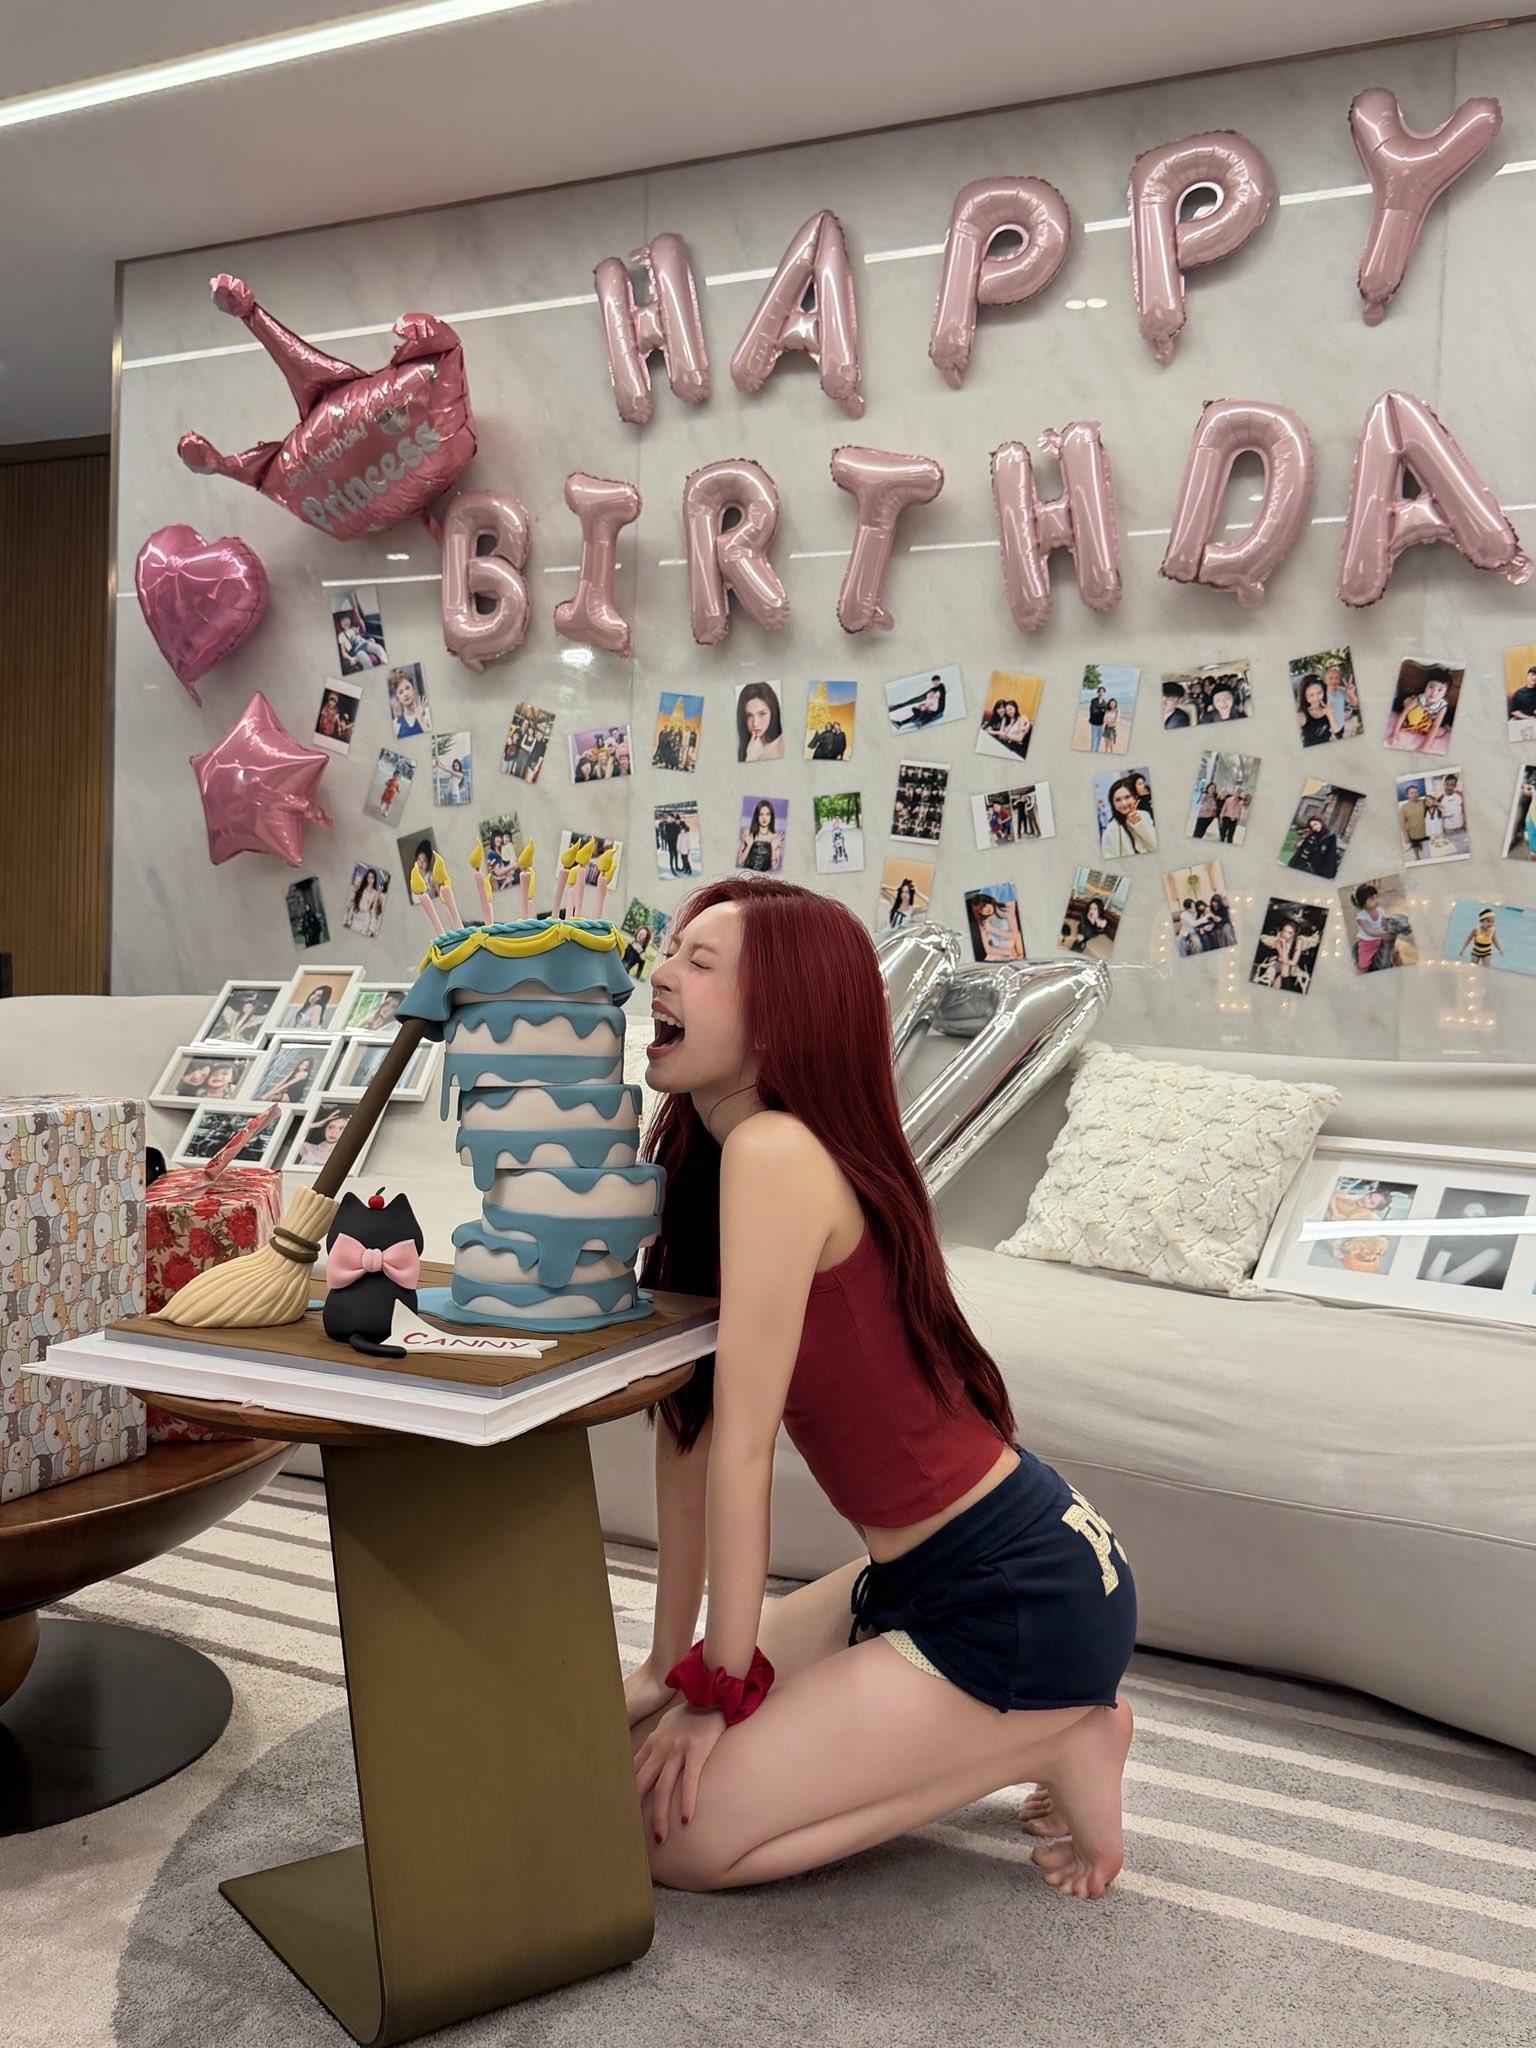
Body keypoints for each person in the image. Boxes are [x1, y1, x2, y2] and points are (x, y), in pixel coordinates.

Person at [626, 878, 1137, 1898]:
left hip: (1016, 1595)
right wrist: (665, 1666)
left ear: (780, 1015)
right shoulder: (715, 1157)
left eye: (699, 962)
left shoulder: (774, 1151)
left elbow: (746, 1450)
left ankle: (1066, 1730)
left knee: (674, 1842)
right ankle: (1021, 1721)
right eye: (670, 950)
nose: (661, 974)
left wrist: (719, 1692)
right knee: (637, 1764)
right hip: (921, 1577)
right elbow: (691, 1429)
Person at [1098, 776, 1156, 857]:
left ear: (1135, 798)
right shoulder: (1111, 829)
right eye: (1118, 800)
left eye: (1127, 797)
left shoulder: (1144, 816)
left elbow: (1155, 846)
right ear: (1113, 804)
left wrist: (1138, 825)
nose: (1124, 803)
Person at [737, 683, 785, 762]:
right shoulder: (740, 745)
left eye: (762, 714)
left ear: (773, 712)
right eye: (749, 715)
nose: (755, 724)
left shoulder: (783, 744)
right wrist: (750, 757)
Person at [1289, 811, 1340, 879]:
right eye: (1312, 826)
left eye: (1316, 824)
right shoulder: (1311, 835)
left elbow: (1330, 857)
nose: (1314, 827)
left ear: (1320, 822)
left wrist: (1326, 875)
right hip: (1304, 868)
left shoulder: (1330, 837)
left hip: (1318, 872)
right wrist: (1292, 864)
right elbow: (1300, 851)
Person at [1351, 882, 1389, 972]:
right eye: (1372, 899)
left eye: (1376, 897)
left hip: (1381, 940)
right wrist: (1382, 932)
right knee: (1364, 964)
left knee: (1394, 951)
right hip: (1367, 942)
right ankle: (1361, 968)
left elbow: (1385, 922)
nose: (1376, 900)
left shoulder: (1380, 911)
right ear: (1363, 903)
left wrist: (1388, 928)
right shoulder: (1361, 917)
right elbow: (1369, 931)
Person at [968, 893, 1017, 961]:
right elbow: (988, 950)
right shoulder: (983, 924)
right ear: (980, 913)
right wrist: (1008, 952)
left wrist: (992, 929)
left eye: (985, 905)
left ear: (989, 901)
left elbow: (1014, 936)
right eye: (981, 909)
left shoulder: (1007, 913)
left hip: (1013, 951)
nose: (986, 909)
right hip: (998, 954)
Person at [736, 800, 781, 873]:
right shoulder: (748, 835)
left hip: (763, 878)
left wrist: (773, 848)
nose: (764, 818)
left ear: (771, 816)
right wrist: (748, 846)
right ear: (757, 816)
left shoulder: (775, 838)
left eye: (767, 814)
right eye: (761, 814)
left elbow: (774, 867)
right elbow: (739, 861)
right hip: (747, 876)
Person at [1296, 676, 1338, 746]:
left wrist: (1329, 715)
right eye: (1311, 695)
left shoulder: (1328, 707)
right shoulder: (1300, 715)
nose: (1316, 698)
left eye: (1319, 693)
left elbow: (1336, 732)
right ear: (1304, 696)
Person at [388, 667, 428, 739]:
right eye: (401, 692)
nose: (405, 694)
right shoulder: (395, 725)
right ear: (398, 698)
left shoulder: (427, 713)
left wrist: (421, 719)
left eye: (407, 688)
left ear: (414, 688)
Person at [1398, 782, 1429, 862]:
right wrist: (1405, 836)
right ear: (1407, 795)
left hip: (1424, 832)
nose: (1414, 795)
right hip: (1412, 833)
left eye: (1416, 792)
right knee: (1416, 851)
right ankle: (1417, 856)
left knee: (1426, 851)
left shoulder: (1423, 802)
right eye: (1411, 793)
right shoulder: (1404, 807)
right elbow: (1402, 823)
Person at [1085, 685, 1108, 749]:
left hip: (1101, 724)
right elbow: (1093, 711)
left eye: (1103, 691)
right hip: (1094, 723)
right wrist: (1102, 710)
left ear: (1104, 693)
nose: (1101, 692)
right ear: (1098, 692)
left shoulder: (1105, 703)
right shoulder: (1094, 700)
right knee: (1094, 741)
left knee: (1098, 741)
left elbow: (1106, 713)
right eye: (1100, 691)